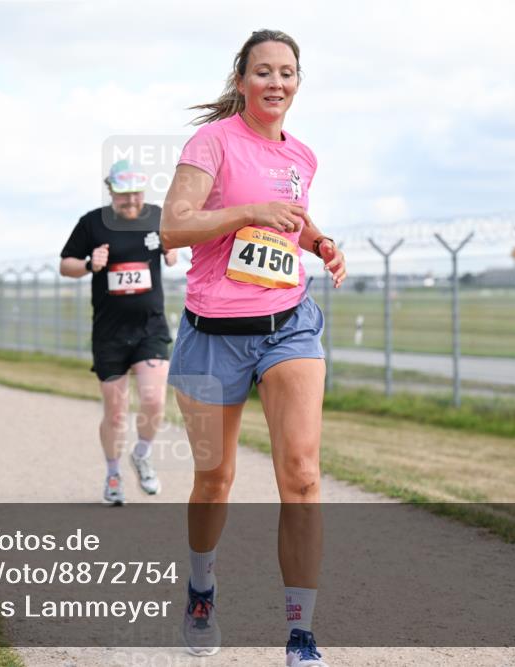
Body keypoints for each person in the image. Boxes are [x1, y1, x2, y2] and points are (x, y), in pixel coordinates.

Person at [160, 30, 347, 665]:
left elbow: (293, 218)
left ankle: (300, 633)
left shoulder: (303, 156)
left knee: (301, 474)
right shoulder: (210, 143)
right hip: (214, 333)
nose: (276, 83)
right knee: (215, 480)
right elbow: (173, 227)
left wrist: (320, 243)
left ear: (298, 82)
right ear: (241, 80)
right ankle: (202, 588)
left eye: (287, 73)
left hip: (289, 324)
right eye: (263, 72)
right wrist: (245, 214)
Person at [60, 160, 178, 505]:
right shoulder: (92, 223)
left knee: (154, 401)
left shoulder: (157, 216)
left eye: (136, 194)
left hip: (150, 328)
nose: (131, 201)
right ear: (111, 191)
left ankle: (141, 454)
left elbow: (174, 246)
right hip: (110, 333)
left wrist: (171, 251)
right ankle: (113, 473)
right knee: (115, 412)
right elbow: (65, 264)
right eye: (123, 195)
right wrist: (88, 264)